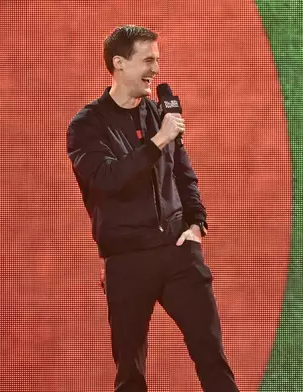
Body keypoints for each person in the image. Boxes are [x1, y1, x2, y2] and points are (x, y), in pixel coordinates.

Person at [67, 25, 239, 392]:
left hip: (178, 252)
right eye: (148, 60)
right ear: (119, 63)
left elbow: (183, 172)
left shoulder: (160, 113)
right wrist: (159, 140)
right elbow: (108, 179)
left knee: (212, 355)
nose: (156, 70)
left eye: (157, 61)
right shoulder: (86, 125)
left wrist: (196, 223)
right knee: (131, 370)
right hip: (127, 260)